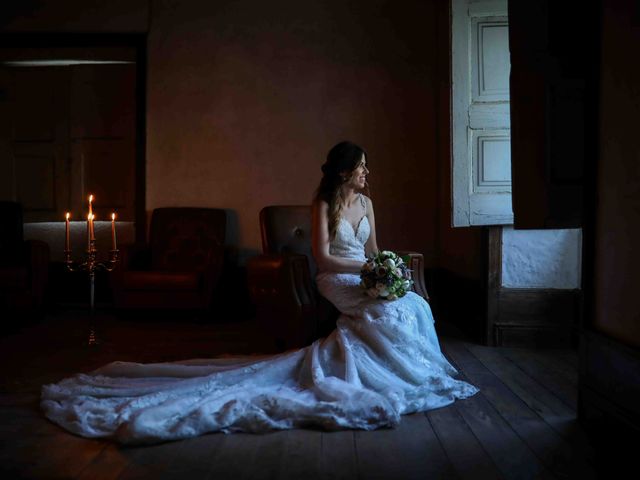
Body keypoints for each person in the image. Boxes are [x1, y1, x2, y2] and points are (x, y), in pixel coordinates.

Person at [41, 141, 479, 445]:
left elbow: (375, 250)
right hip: (336, 279)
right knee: (385, 314)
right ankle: (383, 373)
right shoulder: (324, 204)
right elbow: (325, 260)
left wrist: (387, 269)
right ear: (345, 170)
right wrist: (366, 270)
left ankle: (415, 373)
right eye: (362, 166)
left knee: (412, 303)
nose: (367, 172)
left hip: (364, 273)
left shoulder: (367, 204)